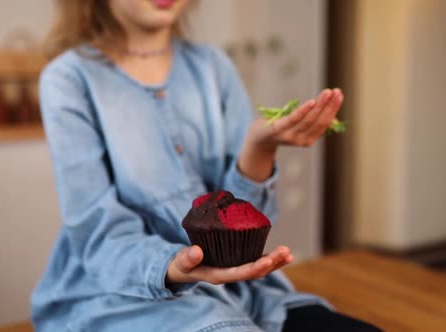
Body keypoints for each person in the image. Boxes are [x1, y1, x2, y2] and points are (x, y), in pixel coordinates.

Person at [32, 1, 381, 331]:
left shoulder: (213, 66)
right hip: (120, 294)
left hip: (242, 291)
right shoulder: (68, 79)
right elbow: (99, 235)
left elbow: (247, 222)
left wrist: (260, 148)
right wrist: (175, 264)